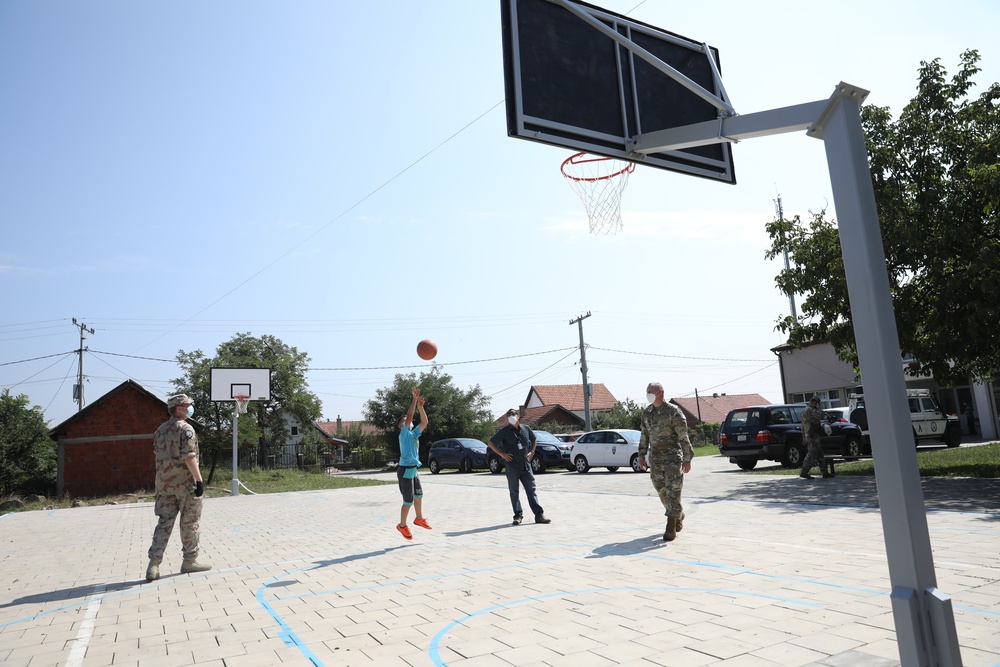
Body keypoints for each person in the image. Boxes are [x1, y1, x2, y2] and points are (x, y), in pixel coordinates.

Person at [146, 394, 211, 581]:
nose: (190, 407)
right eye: (188, 405)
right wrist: (199, 481)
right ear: (180, 408)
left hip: (164, 485)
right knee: (190, 522)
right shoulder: (186, 429)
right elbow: (189, 457)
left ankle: (154, 565)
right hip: (185, 484)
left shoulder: (160, 430)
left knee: (164, 523)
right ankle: (190, 560)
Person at [638, 382, 694, 541]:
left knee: (673, 490)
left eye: (651, 392)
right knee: (661, 489)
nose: (648, 394)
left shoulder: (673, 412)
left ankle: (671, 526)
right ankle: (678, 514)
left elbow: (683, 437)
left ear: (660, 393)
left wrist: (687, 458)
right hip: (655, 459)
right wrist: (641, 456)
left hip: (672, 458)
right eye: (647, 391)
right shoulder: (647, 413)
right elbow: (644, 436)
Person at [488, 409, 551, 526]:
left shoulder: (526, 428)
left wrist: (532, 451)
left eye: (513, 414)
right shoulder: (504, 431)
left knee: (531, 491)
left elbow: (534, 439)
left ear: (518, 416)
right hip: (512, 466)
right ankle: (518, 515)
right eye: (509, 415)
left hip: (526, 465)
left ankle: (539, 515)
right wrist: (502, 454)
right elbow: (491, 443)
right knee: (514, 492)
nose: (511, 416)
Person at [396, 387, 432, 540]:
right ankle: (402, 526)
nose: (408, 421)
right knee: (408, 501)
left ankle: (419, 518)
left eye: (407, 420)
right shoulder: (403, 434)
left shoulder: (414, 433)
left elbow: (425, 421)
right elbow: (410, 416)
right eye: (404, 421)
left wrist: (420, 407)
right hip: (404, 470)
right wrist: (414, 400)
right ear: (401, 425)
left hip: (413, 470)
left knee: (419, 495)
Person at [799, 396, 830, 480]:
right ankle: (804, 472)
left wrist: (804, 436)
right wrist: (819, 408)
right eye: (818, 404)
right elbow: (821, 415)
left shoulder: (803, 410)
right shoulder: (811, 410)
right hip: (812, 434)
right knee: (812, 453)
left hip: (809, 434)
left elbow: (802, 425)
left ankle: (824, 472)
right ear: (815, 403)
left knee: (820, 453)